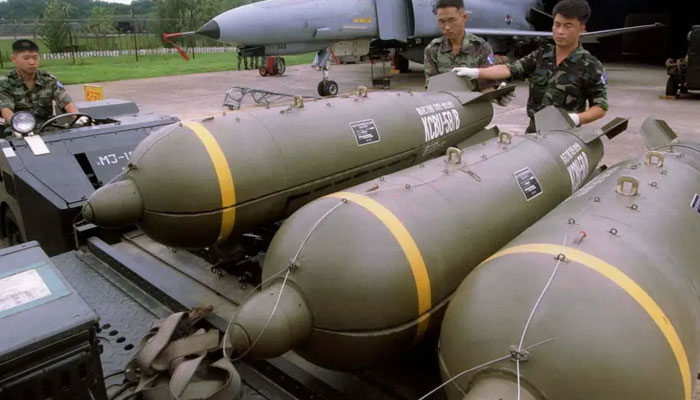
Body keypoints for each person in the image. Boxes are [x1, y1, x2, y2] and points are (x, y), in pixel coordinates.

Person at [453, 0, 608, 132]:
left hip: (566, 136)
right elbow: (509, 69)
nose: (560, 31)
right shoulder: (541, 55)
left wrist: (576, 118)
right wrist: (476, 72)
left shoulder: (591, 65)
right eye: (557, 25)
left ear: (581, 29)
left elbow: (600, 107)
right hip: (533, 132)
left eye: (568, 26)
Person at [0, 39, 79, 130]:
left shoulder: (48, 79)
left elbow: (65, 100)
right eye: (26, 58)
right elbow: (6, 109)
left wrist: (77, 117)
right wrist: (18, 126)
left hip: (46, 127)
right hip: (18, 130)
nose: (32, 62)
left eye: (35, 58)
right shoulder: (5, 82)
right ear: (14, 59)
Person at [423, 0, 499, 92]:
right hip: (446, 102)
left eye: (452, 20)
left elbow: (488, 88)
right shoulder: (433, 49)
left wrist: (497, 97)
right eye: (442, 21)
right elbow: (433, 88)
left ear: (464, 17)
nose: (447, 27)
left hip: (475, 103)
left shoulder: (481, 47)